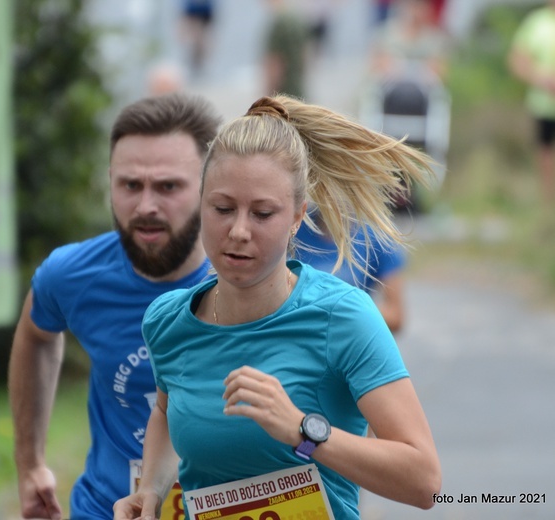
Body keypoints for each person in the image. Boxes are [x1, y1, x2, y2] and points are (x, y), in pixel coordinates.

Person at [114, 95, 441, 520]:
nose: (239, 231)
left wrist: (302, 430)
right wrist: (151, 491)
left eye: (263, 213)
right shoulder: (167, 320)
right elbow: (164, 411)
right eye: (223, 208)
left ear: (297, 216)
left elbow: (424, 481)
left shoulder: (344, 317)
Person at [8, 93, 222, 520]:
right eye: (130, 185)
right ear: (110, 181)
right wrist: (30, 463)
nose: (145, 206)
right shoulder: (72, 276)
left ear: (209, 186)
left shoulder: (256, 280)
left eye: (167, 186)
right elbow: (36, 334)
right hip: (104, 508)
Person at [294, 214, 406, 333]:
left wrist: (340, 309)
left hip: (350, 336)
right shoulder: (294, 230)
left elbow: (395, 316)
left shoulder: (375, 235)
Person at [508, 0, 555, 206]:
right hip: (545, 105)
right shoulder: (537, 22)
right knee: (546, 155)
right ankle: (549, 207)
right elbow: (517, 60)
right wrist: (541, 79)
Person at [263, 0, 310, 99]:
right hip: (298, 89)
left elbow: (275, 64)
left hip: (283, 94)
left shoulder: (279, 24)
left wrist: (269, 97)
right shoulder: (297, 17)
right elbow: (305, 54)